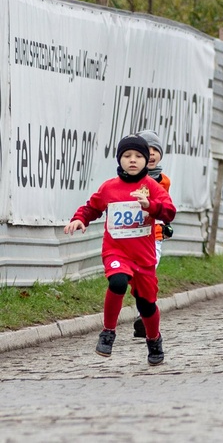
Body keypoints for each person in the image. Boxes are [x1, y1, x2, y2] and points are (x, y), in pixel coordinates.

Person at [64, 135, 176, 365]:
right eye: (127, 156)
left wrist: (150, 206)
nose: (132, 161)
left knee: (146, 304)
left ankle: (154, 340)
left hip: (143, 255)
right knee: (116, 282)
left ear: (146, 161)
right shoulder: (109, 187)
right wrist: (79, 220)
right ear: (119, 160)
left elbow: (169, 212)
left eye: (138, 156)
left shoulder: (152, 187)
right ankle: (108, 332)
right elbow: (91, 208)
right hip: (116, 250)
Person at [131, 129, 173, 339]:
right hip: (133, 236)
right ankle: (144, 309)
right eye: (148, 150)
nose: (153, 154)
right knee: (136, 277)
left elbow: (166, 207)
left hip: (154, 236)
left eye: (156, 150)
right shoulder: (129, 179)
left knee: (149, 273)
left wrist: (166, 224)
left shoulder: (164, 181)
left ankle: (143, 316)